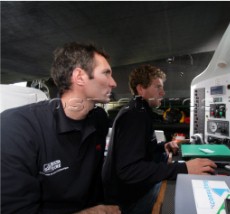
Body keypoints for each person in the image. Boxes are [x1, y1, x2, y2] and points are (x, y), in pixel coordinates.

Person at [1, 42, 121, 214]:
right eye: (106, 74)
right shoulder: (16, 127)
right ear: (79, 76)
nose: (113, 83)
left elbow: (93, 185)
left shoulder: (99, 119)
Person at [102, 64, 217, 214]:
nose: (163, 92)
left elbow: (140, 150)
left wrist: (163, 146)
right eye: (158, 87)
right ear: (141, 89)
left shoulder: (139, 110)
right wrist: (185, 168)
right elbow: (129, 171)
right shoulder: (134, 116)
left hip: (129, 192)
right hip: (127, 202)